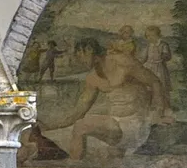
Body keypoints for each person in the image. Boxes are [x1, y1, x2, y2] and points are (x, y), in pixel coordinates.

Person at [43, 37, 173, 161]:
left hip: (137, 123)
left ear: (89, 49)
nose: (79, 60)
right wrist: (48, 126)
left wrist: (157, 112)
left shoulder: (123, 62)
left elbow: (155, 82)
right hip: (117, 128)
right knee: (110, 160)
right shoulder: (92, 78)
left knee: (80, 126)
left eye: (79, 55)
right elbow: (78, 111)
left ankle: (73, 167)